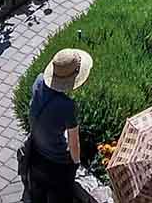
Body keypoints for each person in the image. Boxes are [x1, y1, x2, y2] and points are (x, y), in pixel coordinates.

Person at [26, 48, 91, 202]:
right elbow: (74, 144)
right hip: (57, 163)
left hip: (36, 154)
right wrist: (76, 164)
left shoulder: (39, 80)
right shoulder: (67, 106)